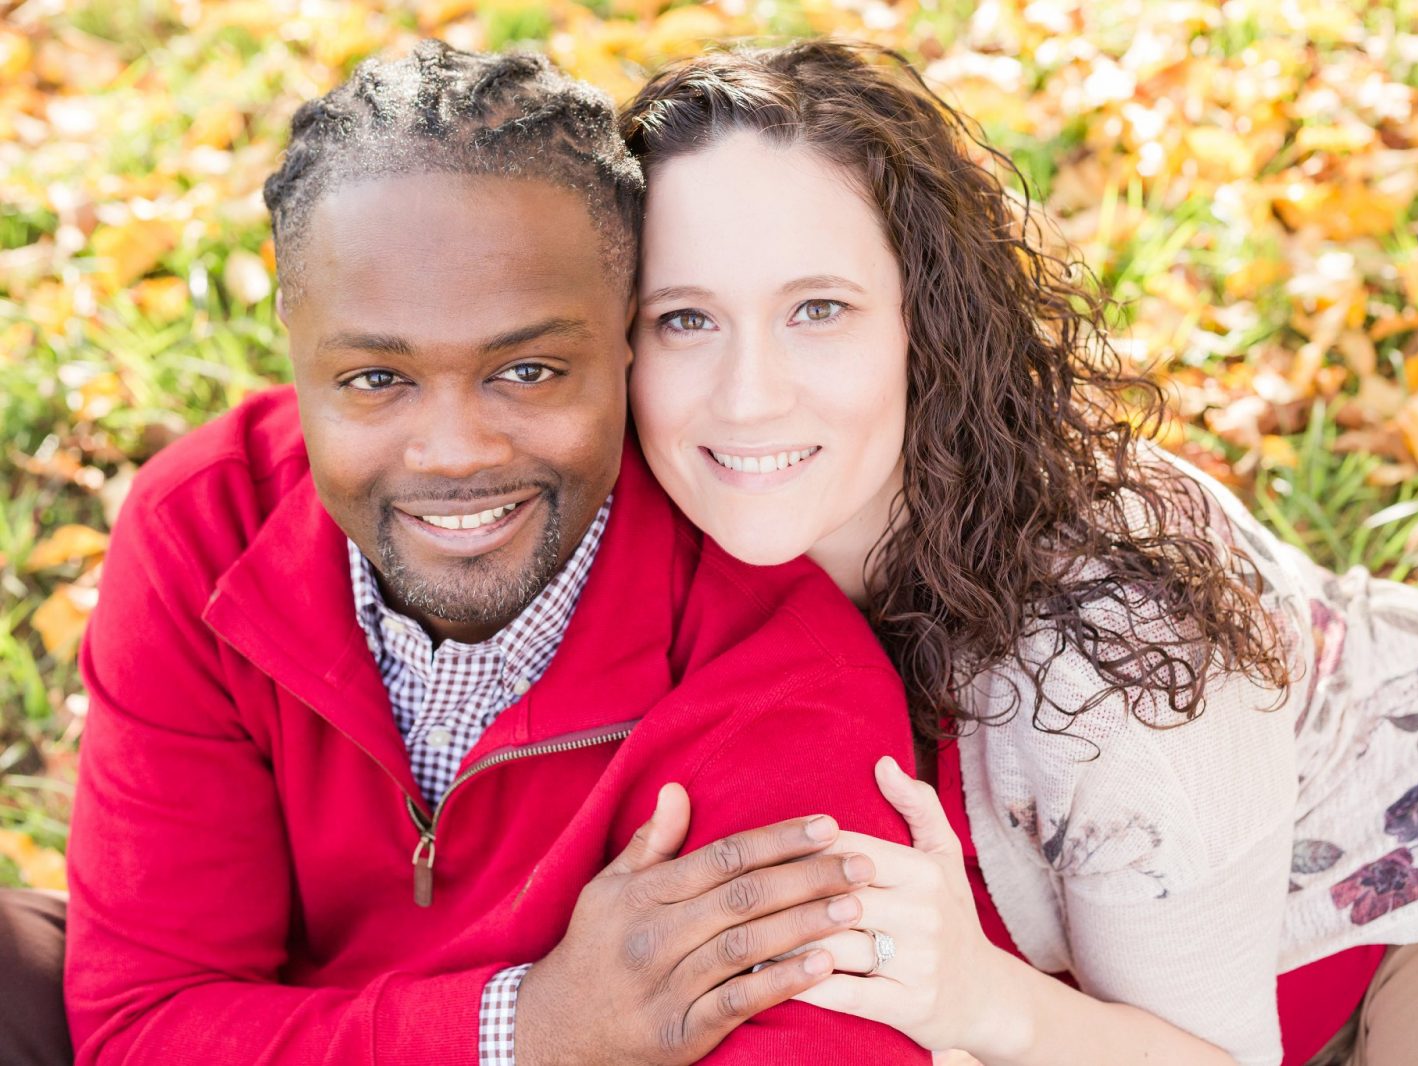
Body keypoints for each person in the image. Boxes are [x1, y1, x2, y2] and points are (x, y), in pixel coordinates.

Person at [619, 39, 1418, 1066]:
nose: (746, 395)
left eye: (817, 309)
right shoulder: (641, 535)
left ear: (930, 321)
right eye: (685, 319)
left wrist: (979, 998)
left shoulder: (1117, 637)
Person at [1, 41, 936, 1066]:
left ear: (625, 339)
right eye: (374, 378)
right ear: (293, 341)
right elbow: (143, 1025)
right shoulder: (206, 526)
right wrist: (522, 1030)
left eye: (527, 369)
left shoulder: (771, 666)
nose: (454, 453)